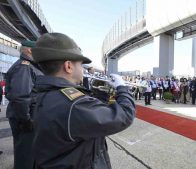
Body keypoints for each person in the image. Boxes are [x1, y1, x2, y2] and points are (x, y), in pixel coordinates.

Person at [31, 33, 135, 169]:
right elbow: (124, 116)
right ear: (68, 66)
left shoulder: (44, 92)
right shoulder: (74, 104)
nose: (83, 69)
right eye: (81, 64)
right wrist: (122, 88)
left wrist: (99, 94)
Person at [5, 40, 44, 169]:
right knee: (25, 154)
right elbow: (21, 97)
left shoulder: (31, 66)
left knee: (30, 152)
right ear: (29, 50)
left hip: (30, 115)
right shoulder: (24, 67)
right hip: (25, 117)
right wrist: (26, 120)